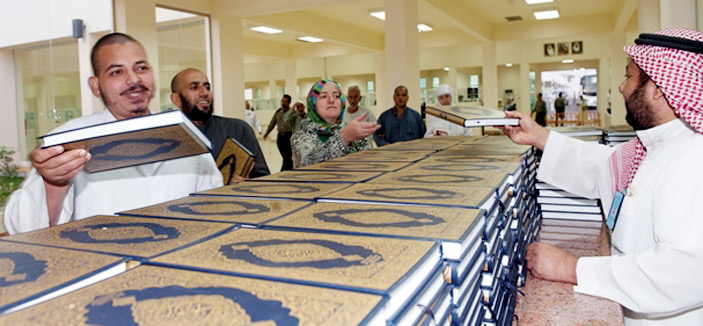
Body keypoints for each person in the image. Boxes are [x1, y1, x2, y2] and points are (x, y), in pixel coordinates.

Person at [503, 28, 703, 325]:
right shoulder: (657, 145)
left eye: (629, 77)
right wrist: (539, 136)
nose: (621, 88)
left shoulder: (694, 158)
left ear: (659, 90)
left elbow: (685, 271)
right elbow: (602, 166)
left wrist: (573, 268)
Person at [4, 33, 222, 234]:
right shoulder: (68, 141)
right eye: (117, 72)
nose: (134, 80)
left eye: (141, 68)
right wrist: (54, 182)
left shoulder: (185, 136)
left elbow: (214, 208)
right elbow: (23, 228)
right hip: (102, 269)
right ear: (96, 86)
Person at [170, 68, 270, 181]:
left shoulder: (238, 130)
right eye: (194, 87)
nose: (204, 93)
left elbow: (264, 180)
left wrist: (247, 184)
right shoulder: (167, 139)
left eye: (207, 87)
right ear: (176, 99)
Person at [291, 79, 379, 168]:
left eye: (336, 96)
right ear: (313, 103)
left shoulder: (352, 132)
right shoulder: (300, 137)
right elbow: (308, 163)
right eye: (324, 96)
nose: (331, 100)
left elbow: (368, 164)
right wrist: (343, 138)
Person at [264, 94, 294, 171]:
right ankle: (288, 170)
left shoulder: (292, 112)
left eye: (285, 101)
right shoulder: (278, 112)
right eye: (282, 101)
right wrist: (267, 133)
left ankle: (284, 171)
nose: (283, 103)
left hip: (289, 136)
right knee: (285, 156)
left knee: (288, 156)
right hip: (280, 137)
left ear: (289, 102)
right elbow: (272, 123)